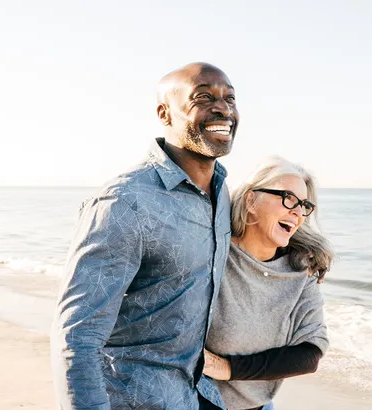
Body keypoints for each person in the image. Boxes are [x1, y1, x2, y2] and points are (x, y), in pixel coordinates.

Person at [51, 62, 239, 409]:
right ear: (164, 113)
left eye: (230, 98)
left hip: (198, 394)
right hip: (133, 398)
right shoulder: (124, 203)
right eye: (204, 97)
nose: (223, 108)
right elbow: (78, 336)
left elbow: (263, 233)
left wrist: (310, 254)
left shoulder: (222, 194)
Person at [197, 156, 334, 410]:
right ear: (251, 200)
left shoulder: (300, 271)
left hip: (260, 406)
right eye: (288, 198)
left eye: (303, 205)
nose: (296, 212)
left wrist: (228, 368)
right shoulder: (213, 255)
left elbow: (310, 354)